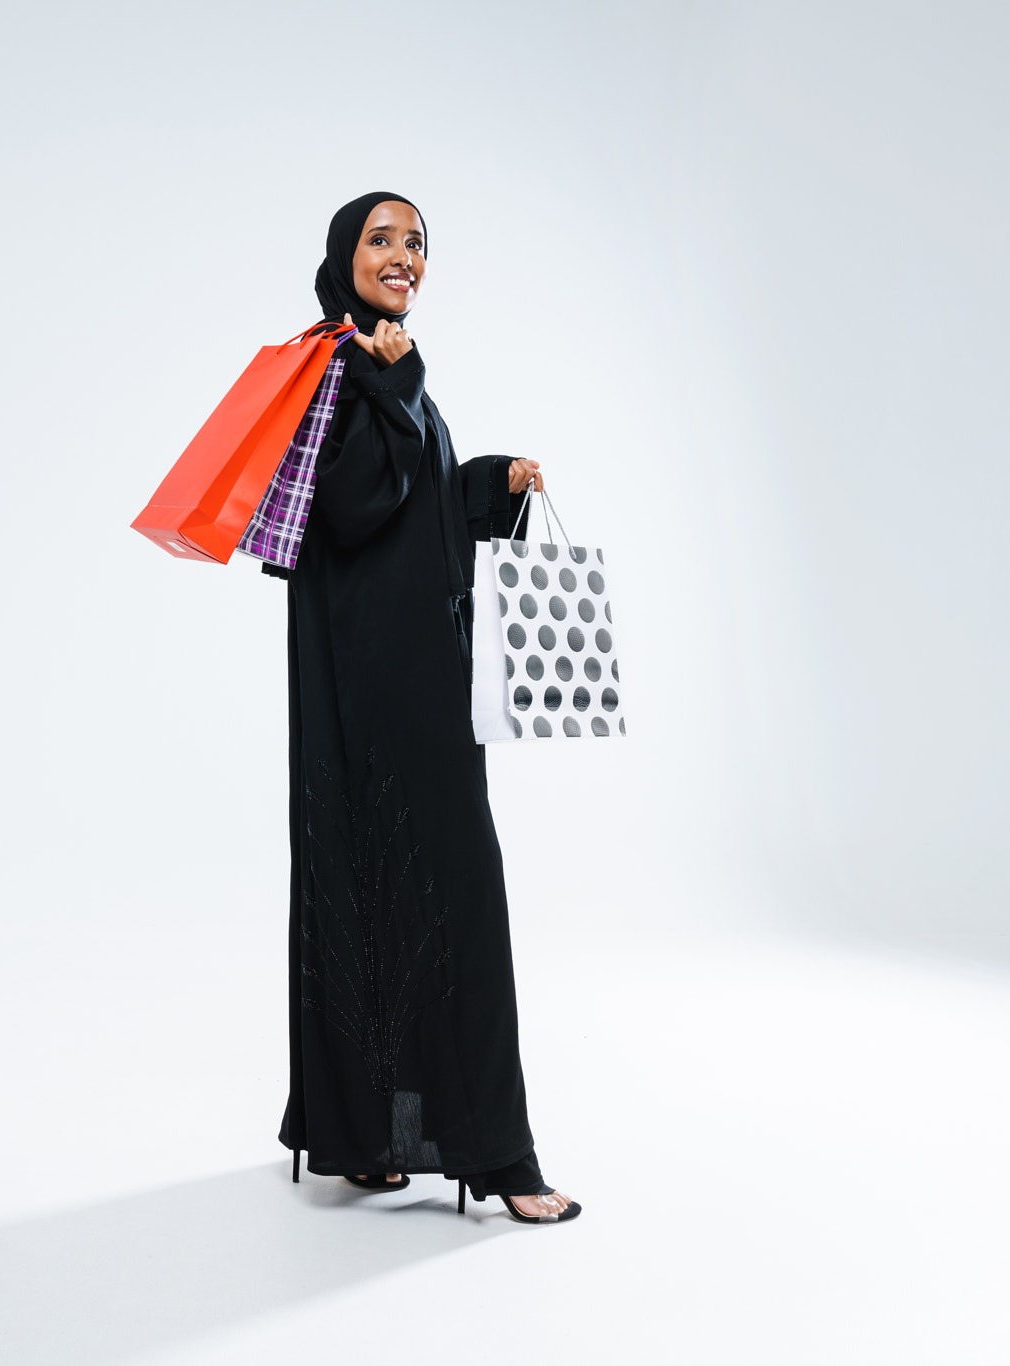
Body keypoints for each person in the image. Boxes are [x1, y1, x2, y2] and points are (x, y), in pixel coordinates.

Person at [277, 191, 578, 1224]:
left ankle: (369, 1139)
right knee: (438, 889)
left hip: (416, 671)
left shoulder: (381, 365)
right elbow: (351, 509)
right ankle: (499, 1157)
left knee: (417, 889)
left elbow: (413, 513)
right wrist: (391, 384)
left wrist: (487, 482)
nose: (402, 255)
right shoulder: (333, 368)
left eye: (416, 242)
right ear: (342, 255)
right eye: (381, 239)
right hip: (373, 682)